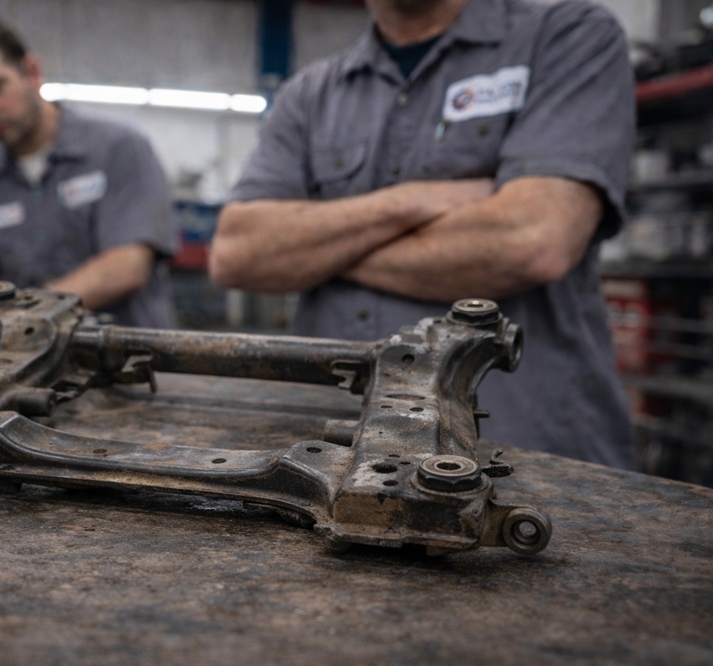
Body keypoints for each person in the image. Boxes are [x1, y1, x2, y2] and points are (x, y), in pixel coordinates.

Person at [209, 0, 637, 469]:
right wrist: (413, 201)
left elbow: (533, 241)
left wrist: (316, 249)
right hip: (334, 455)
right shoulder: (310, 94)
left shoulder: (565, 36)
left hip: (527, 456)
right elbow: (237, 253)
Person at [0, 16, 177, 328]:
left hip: (128, 363)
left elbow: (126, 268)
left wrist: (23, 312)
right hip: (28, 365)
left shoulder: (119, 149)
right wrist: (19, 313)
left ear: (32, 72)